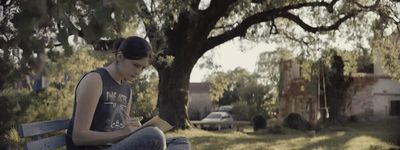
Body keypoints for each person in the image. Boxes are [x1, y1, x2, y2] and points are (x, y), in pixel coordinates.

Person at [66, 36, 185, 150]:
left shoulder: (127, 90)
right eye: (136, 65)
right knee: (154, 136)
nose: (139, 72)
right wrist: (122, 133)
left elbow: (119, 131)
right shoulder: (95, 80)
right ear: (119, 56)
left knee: (180, 142)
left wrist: (133, 129)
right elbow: (79, 137)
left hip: (114, 146)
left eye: (143, 68)